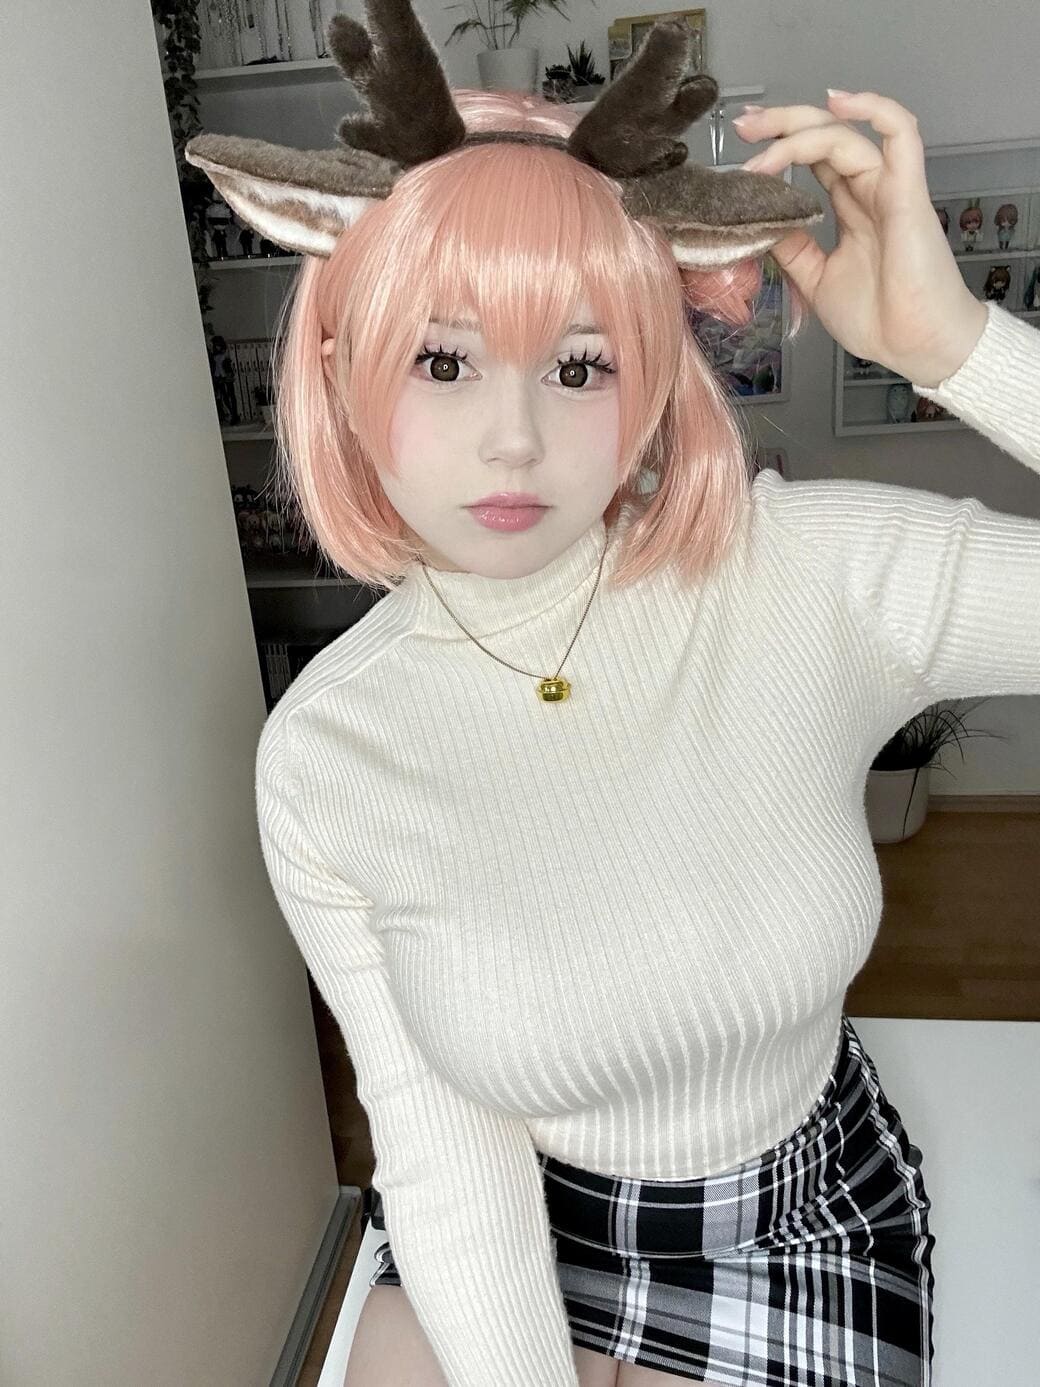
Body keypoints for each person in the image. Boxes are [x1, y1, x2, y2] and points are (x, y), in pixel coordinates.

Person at [187, 8, 1040, 1385]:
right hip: (522, 1227)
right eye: (444, 360)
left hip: (796, 1222)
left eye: (579, 364)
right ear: (340, 370)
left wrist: (959, 348)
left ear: (648, 382)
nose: (514, 439)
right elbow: (443, 1149)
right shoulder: (328, 753)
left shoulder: (806, 575)